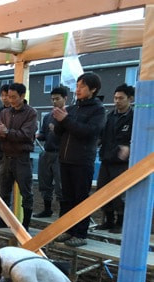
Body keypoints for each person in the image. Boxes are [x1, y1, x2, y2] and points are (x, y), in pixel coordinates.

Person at [53, 73, 106, 247]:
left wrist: (65, 119)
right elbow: (59, 133)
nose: (78, 89)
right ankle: (67, 230)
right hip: (65, 159)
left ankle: (81, 234)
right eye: (77, 86)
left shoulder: (98, 110)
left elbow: (89, 132)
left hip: (82, 161)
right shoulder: (73, 108)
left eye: (82, 86)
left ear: (93, 89)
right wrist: (59, 120)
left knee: (81, 198)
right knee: (66, 198)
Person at [0, 83, 37, 231]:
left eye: (14, 97)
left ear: (22, 96)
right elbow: (0, 133)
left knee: (26, 192)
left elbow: (26, 135)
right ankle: (3, 219)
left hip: (22, 157)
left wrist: (7, 132)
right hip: (6, 156)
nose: (10, 100)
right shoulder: (5, 112)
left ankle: (25, 224)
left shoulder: (31, 113)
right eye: (9, 97)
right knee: (3, 190)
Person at [96, 83, 134, 233]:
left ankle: (120, 222)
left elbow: (139, 138)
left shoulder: (134, 118)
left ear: (130, 99)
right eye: (115, 98)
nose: (117, 101)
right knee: (103, 190)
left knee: (119, 193)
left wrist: (129, 148)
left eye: (121, 98)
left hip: (122, 162)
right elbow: (102, 135)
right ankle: (109, 220)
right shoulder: (110, 116)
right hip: (106, 158)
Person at [33, 86, 67, 218]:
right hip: (47, 152)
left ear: (65, 98)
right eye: (52, 99)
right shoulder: (48, 117)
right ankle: (47, 209)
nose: (54, 102)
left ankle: (63, 212)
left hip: (61, 154)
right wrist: (38, 135)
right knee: (44, 182)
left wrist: (57, 129)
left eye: (57, 99)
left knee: (61, 184)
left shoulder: (68, 116)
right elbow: (43, 134)